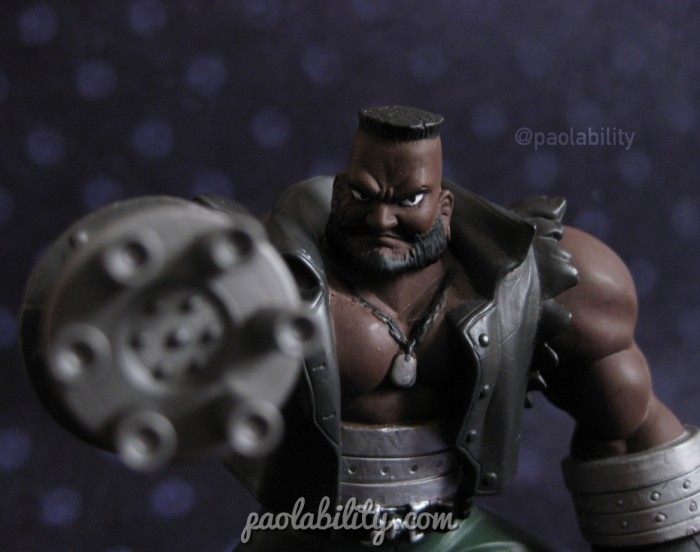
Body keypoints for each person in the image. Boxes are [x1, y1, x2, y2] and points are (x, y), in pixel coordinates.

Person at [21, 106, 700, 550]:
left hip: (450, 533)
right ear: (340, 189)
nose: (381, 221)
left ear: (444, 205)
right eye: (364, 196)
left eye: (408, 201)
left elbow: (626, 422)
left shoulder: (532, 280)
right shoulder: (259, 279)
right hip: (305, 533)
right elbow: (102, 333)